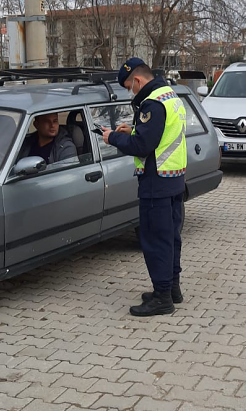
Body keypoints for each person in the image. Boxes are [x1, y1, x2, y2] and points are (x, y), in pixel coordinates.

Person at [103, 57, 187, 317]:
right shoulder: (170, 95)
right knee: (171, 238)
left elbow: (142, 147)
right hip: (174, 179)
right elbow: (160, 136)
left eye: (130, 87)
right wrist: (135, 129)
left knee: (155, 240)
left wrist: (113, 137)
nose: (131, 92)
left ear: (138, 80)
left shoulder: (152, 103)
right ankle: (172, 288)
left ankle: (162, 298)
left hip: (156, 182)